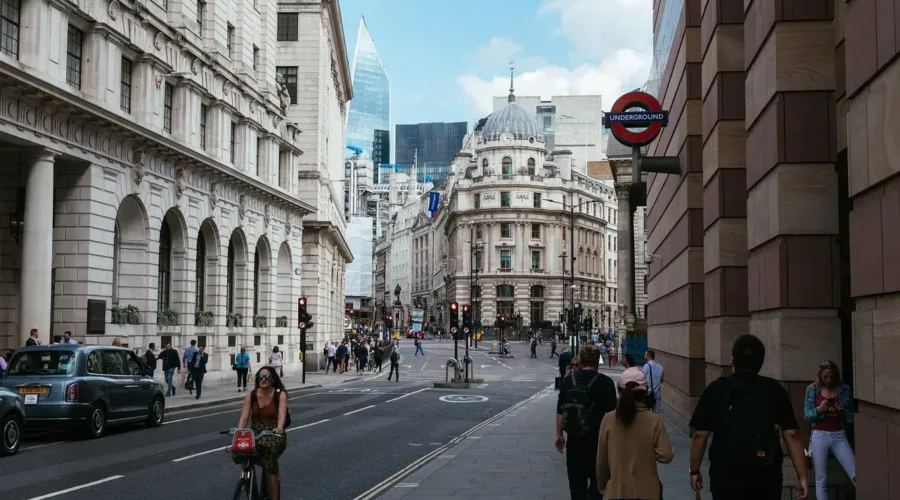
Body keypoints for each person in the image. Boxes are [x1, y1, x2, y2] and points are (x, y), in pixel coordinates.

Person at [689, 334, 808, 500]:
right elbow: (792, 435)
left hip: (726, 475)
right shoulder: (775, 390)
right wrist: (802, 476)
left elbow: (700, 435)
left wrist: (694, 470)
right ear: (761, 362)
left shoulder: (716, 389)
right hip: (766, 475)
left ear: (732, 361)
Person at [597, 367, 674, 499]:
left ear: (619, 391)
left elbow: (602, 461)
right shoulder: (654, 420)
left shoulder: (608, 420)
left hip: (617, 491)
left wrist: (602, 484)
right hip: (647, 492)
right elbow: (666, 456)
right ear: (644, 393)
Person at [555, 346, 618, 500]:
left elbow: (560, 411)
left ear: (581, 361)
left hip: (574, 443)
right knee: (600, 486)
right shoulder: (606, 383)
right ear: (598, 361)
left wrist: (559, 435)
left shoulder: (568, 381)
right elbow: (613, 416)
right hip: (598, 445)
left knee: (576, 488)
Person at [804, 360, 855, 500]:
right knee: (821, 479)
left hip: (839, 435)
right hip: (819, 435)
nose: (828, 380)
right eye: (825, 377)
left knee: (856, 474)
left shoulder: (844, 389)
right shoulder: (813, 389)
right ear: (820, 376)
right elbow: (807, 415)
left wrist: (842, 411)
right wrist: (819, 409)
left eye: (831, 376)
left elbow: (851, 417)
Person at [237, 366, 287, 500]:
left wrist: (279, 428)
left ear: (273, 379)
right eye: (261, 377)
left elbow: (282, 415)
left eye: (267, 377)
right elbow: (243, 418)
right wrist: (239, 433)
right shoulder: (251, 396)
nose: (263, 380)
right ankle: (249, 482)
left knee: (268, 459)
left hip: (273, 433)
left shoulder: (279, 394)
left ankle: (274, 493)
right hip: (256, 433)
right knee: (241, 451)